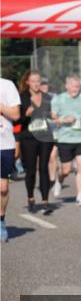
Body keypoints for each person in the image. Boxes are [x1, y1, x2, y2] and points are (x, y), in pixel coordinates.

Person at [50, 75, 81, 206]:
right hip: (65, 138)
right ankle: (59, 181)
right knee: (66, 170)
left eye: (77, 86)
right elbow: (53, 119)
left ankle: (80, 196)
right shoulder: (59, 99)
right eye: (72, 86)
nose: (75, 89)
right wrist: (64, 120)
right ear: (67, 86)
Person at [17, 70, 55, 214]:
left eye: (38, 81)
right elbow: (17, 120)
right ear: (27, 82)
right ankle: (31, 198)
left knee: (44, 168)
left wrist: (53, 115)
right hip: (29, 138)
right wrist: (25, 115)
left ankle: (45, 202)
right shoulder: (22, 98)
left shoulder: (47, 97)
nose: (36, 84)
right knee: (31, 170)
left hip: (45, 136)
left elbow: (51, 114)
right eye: (33, 81)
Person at [0, 76, 22, 242]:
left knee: (3, 189)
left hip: (4, 144)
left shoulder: (7, 86)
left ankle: (0, 219)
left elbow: (15, 114)